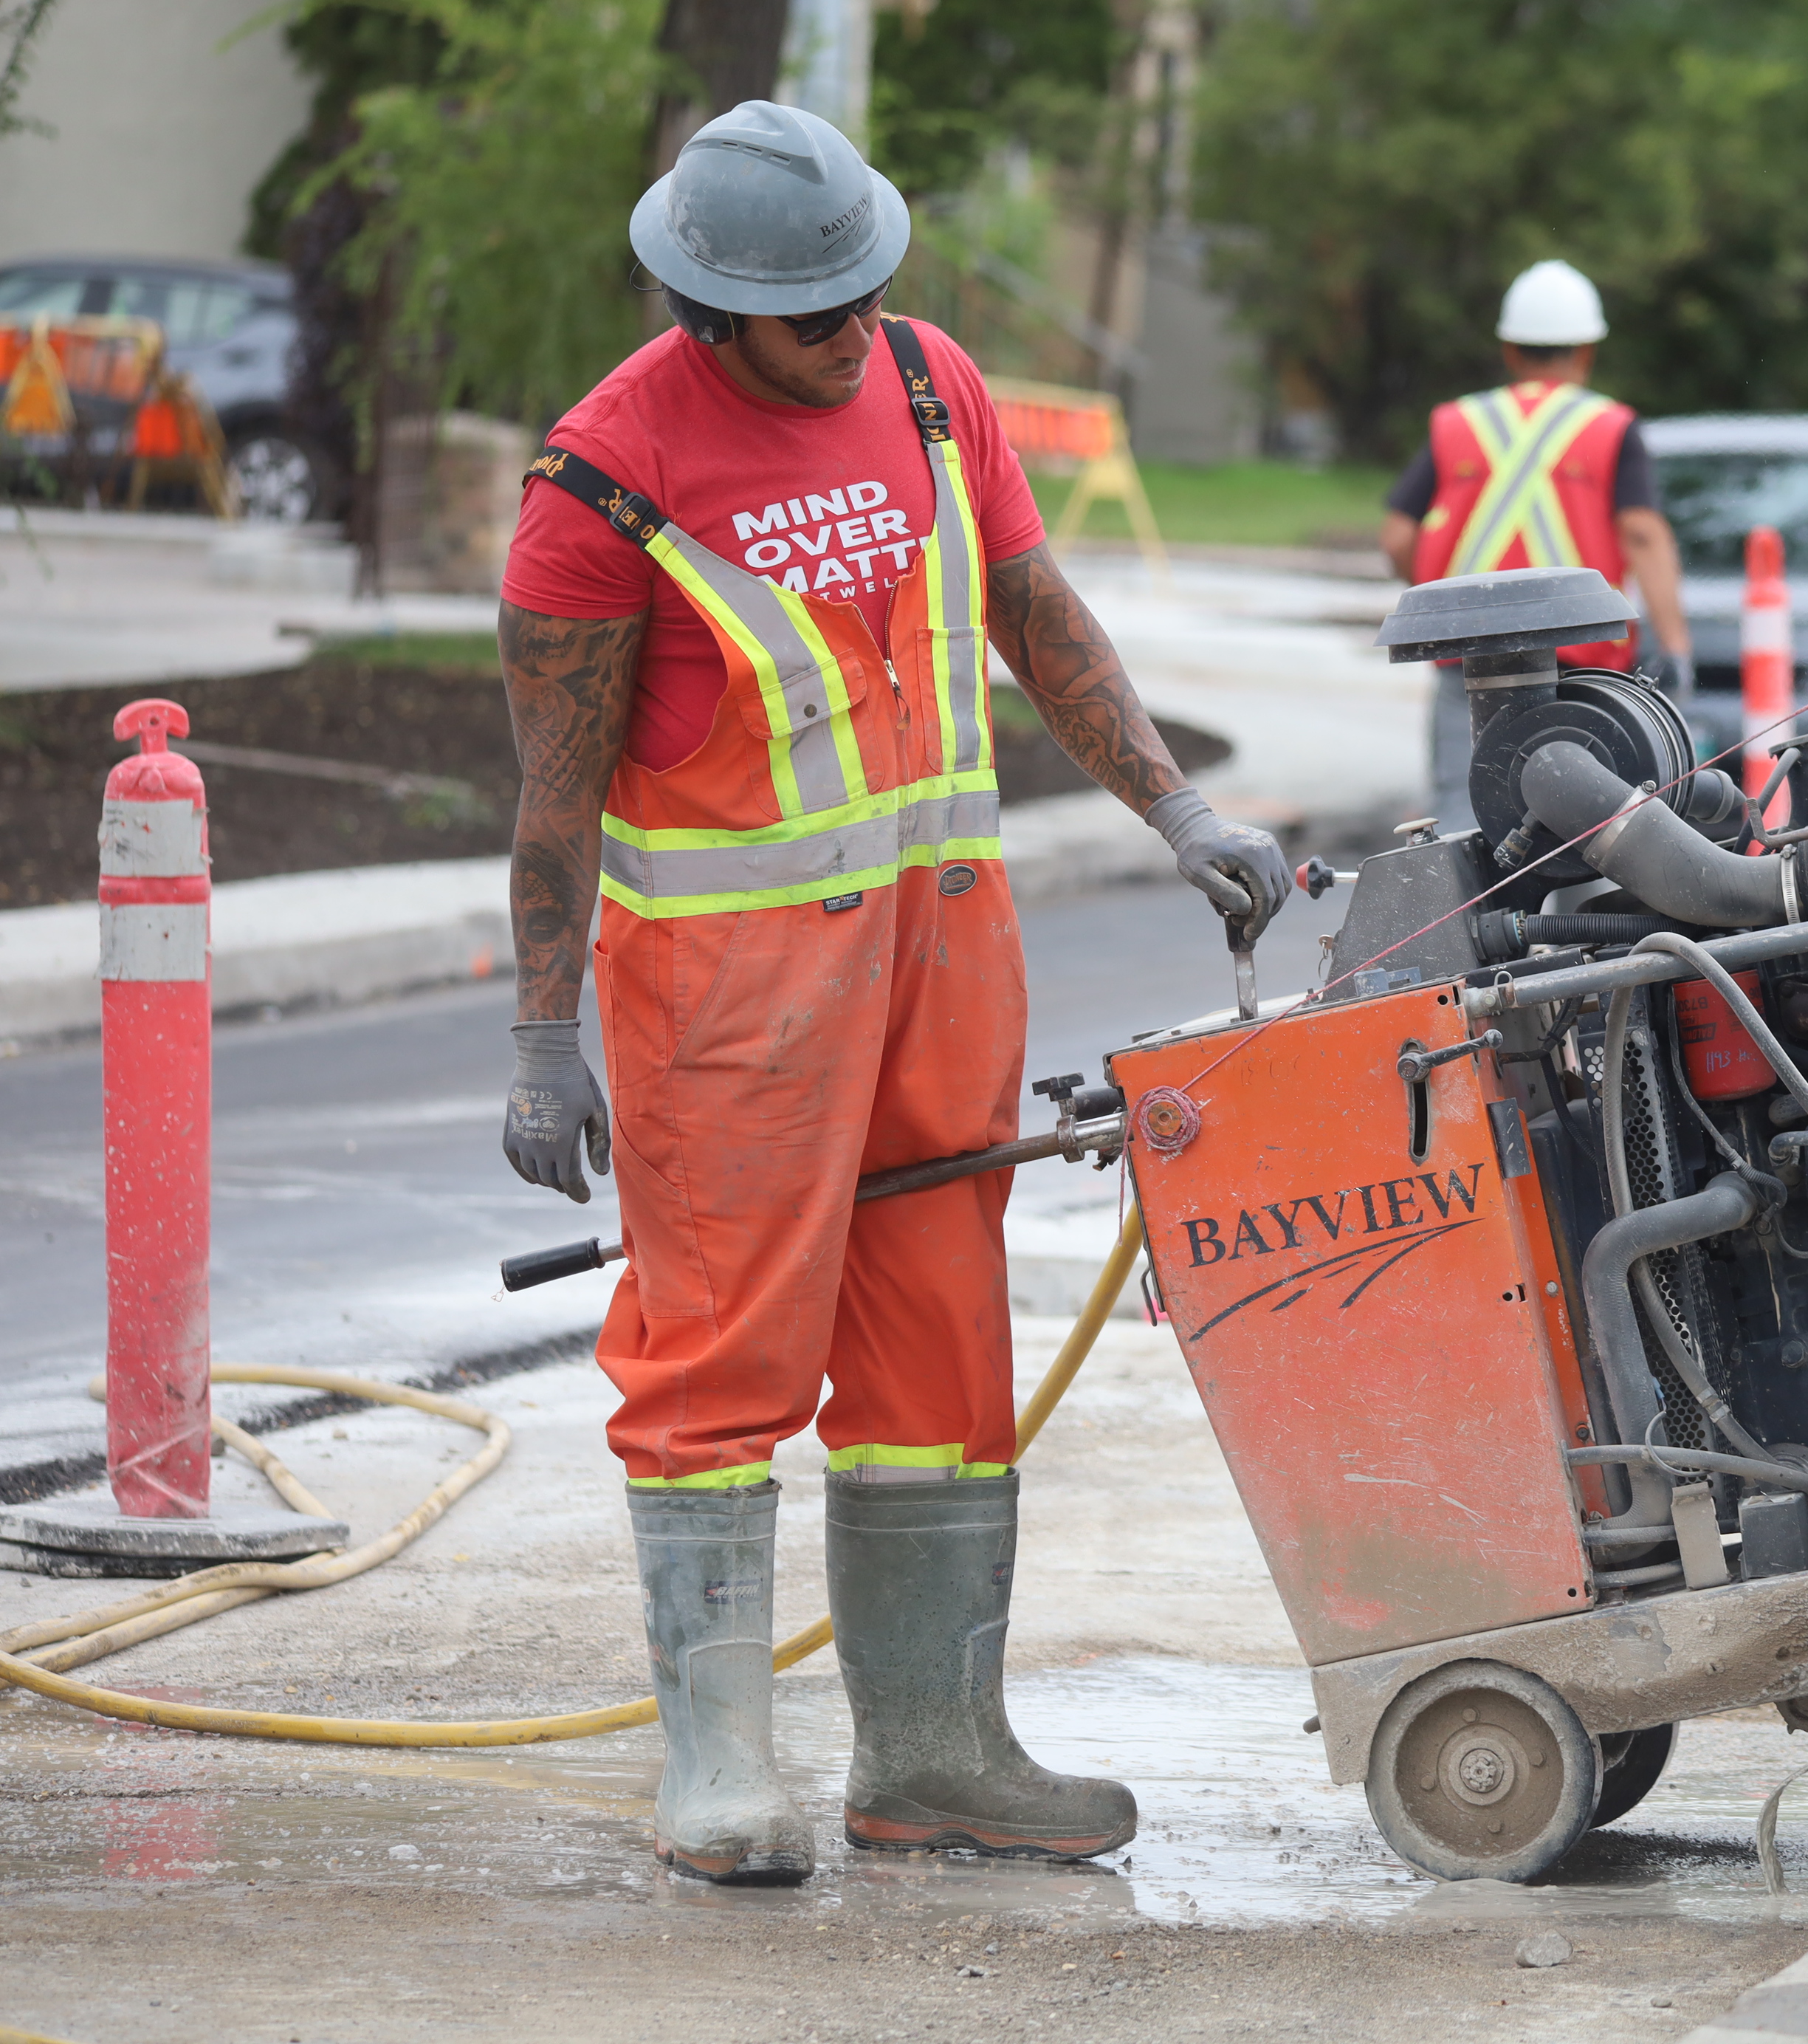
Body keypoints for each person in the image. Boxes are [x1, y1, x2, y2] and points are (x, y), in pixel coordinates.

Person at [490, 100, 1287, 1885]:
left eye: (868, 289)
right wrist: (547, 1031)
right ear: (705, 312)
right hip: (729, 991)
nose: (854, 327)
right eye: (814, 313)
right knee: (719, 1352)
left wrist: (1176, 803)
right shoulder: (603, 482)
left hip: (941, 955)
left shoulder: (930, 385)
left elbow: (1034, 605)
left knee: (937, 1345)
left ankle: (934, 1755)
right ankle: (718, 1771)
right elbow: (553, 784)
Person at [1378, 259, 1691, 829]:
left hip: (1467, 665)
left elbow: (1398, 535)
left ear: (1509, 349)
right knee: (1588, 831)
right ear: (1587, 351)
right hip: (1578, 670)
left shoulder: (1457, 423)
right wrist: (1675, 647)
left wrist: (1434, 611)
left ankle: (1462, 919)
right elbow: (1643, 534)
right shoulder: (1611, 426)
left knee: (1462, 823)